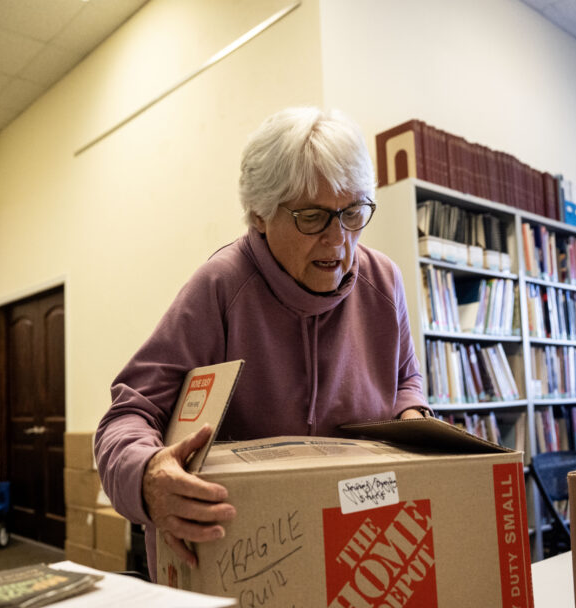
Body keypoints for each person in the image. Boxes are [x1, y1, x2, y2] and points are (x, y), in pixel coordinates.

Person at [95, 107, 430, 578]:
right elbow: (128, 414)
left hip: (358, 541)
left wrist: (412, 419)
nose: (339, 241)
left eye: (353, 213)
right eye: (313, 217)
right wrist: (146, 476)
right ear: (259, 215)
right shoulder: (220, 286)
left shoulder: (384, 281)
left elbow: (405, 378)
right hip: (245, 557)